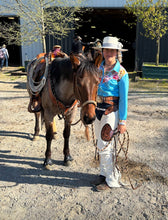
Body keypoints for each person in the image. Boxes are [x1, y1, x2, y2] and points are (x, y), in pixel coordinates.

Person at [92, 36, 129, 191]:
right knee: (100, 144)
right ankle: (103, 173)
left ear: (117, 52)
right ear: (103, 51)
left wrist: (122, 121)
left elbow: (124, 99)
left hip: (111, 110)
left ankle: (111, 179)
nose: (109, 53)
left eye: (112, 50)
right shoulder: (97, 68)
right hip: (97, 109)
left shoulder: (121, 73)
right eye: (106, 50)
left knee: (106, 144)